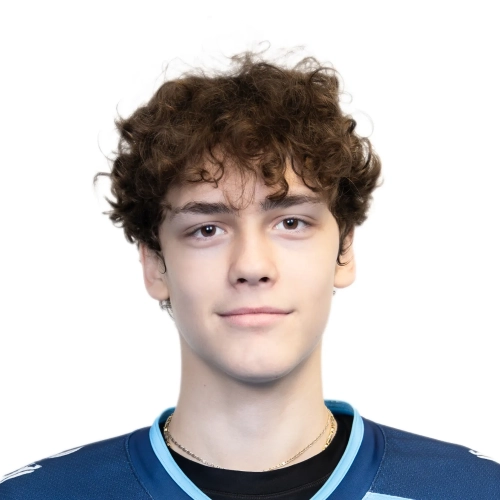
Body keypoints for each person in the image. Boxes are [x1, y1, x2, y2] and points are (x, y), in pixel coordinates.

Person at [1, 51, 499, 500]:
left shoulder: (475, 490)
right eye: (207, 229)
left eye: (291, 223)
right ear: (154, 263)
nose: (252, 266)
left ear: (344, 250)